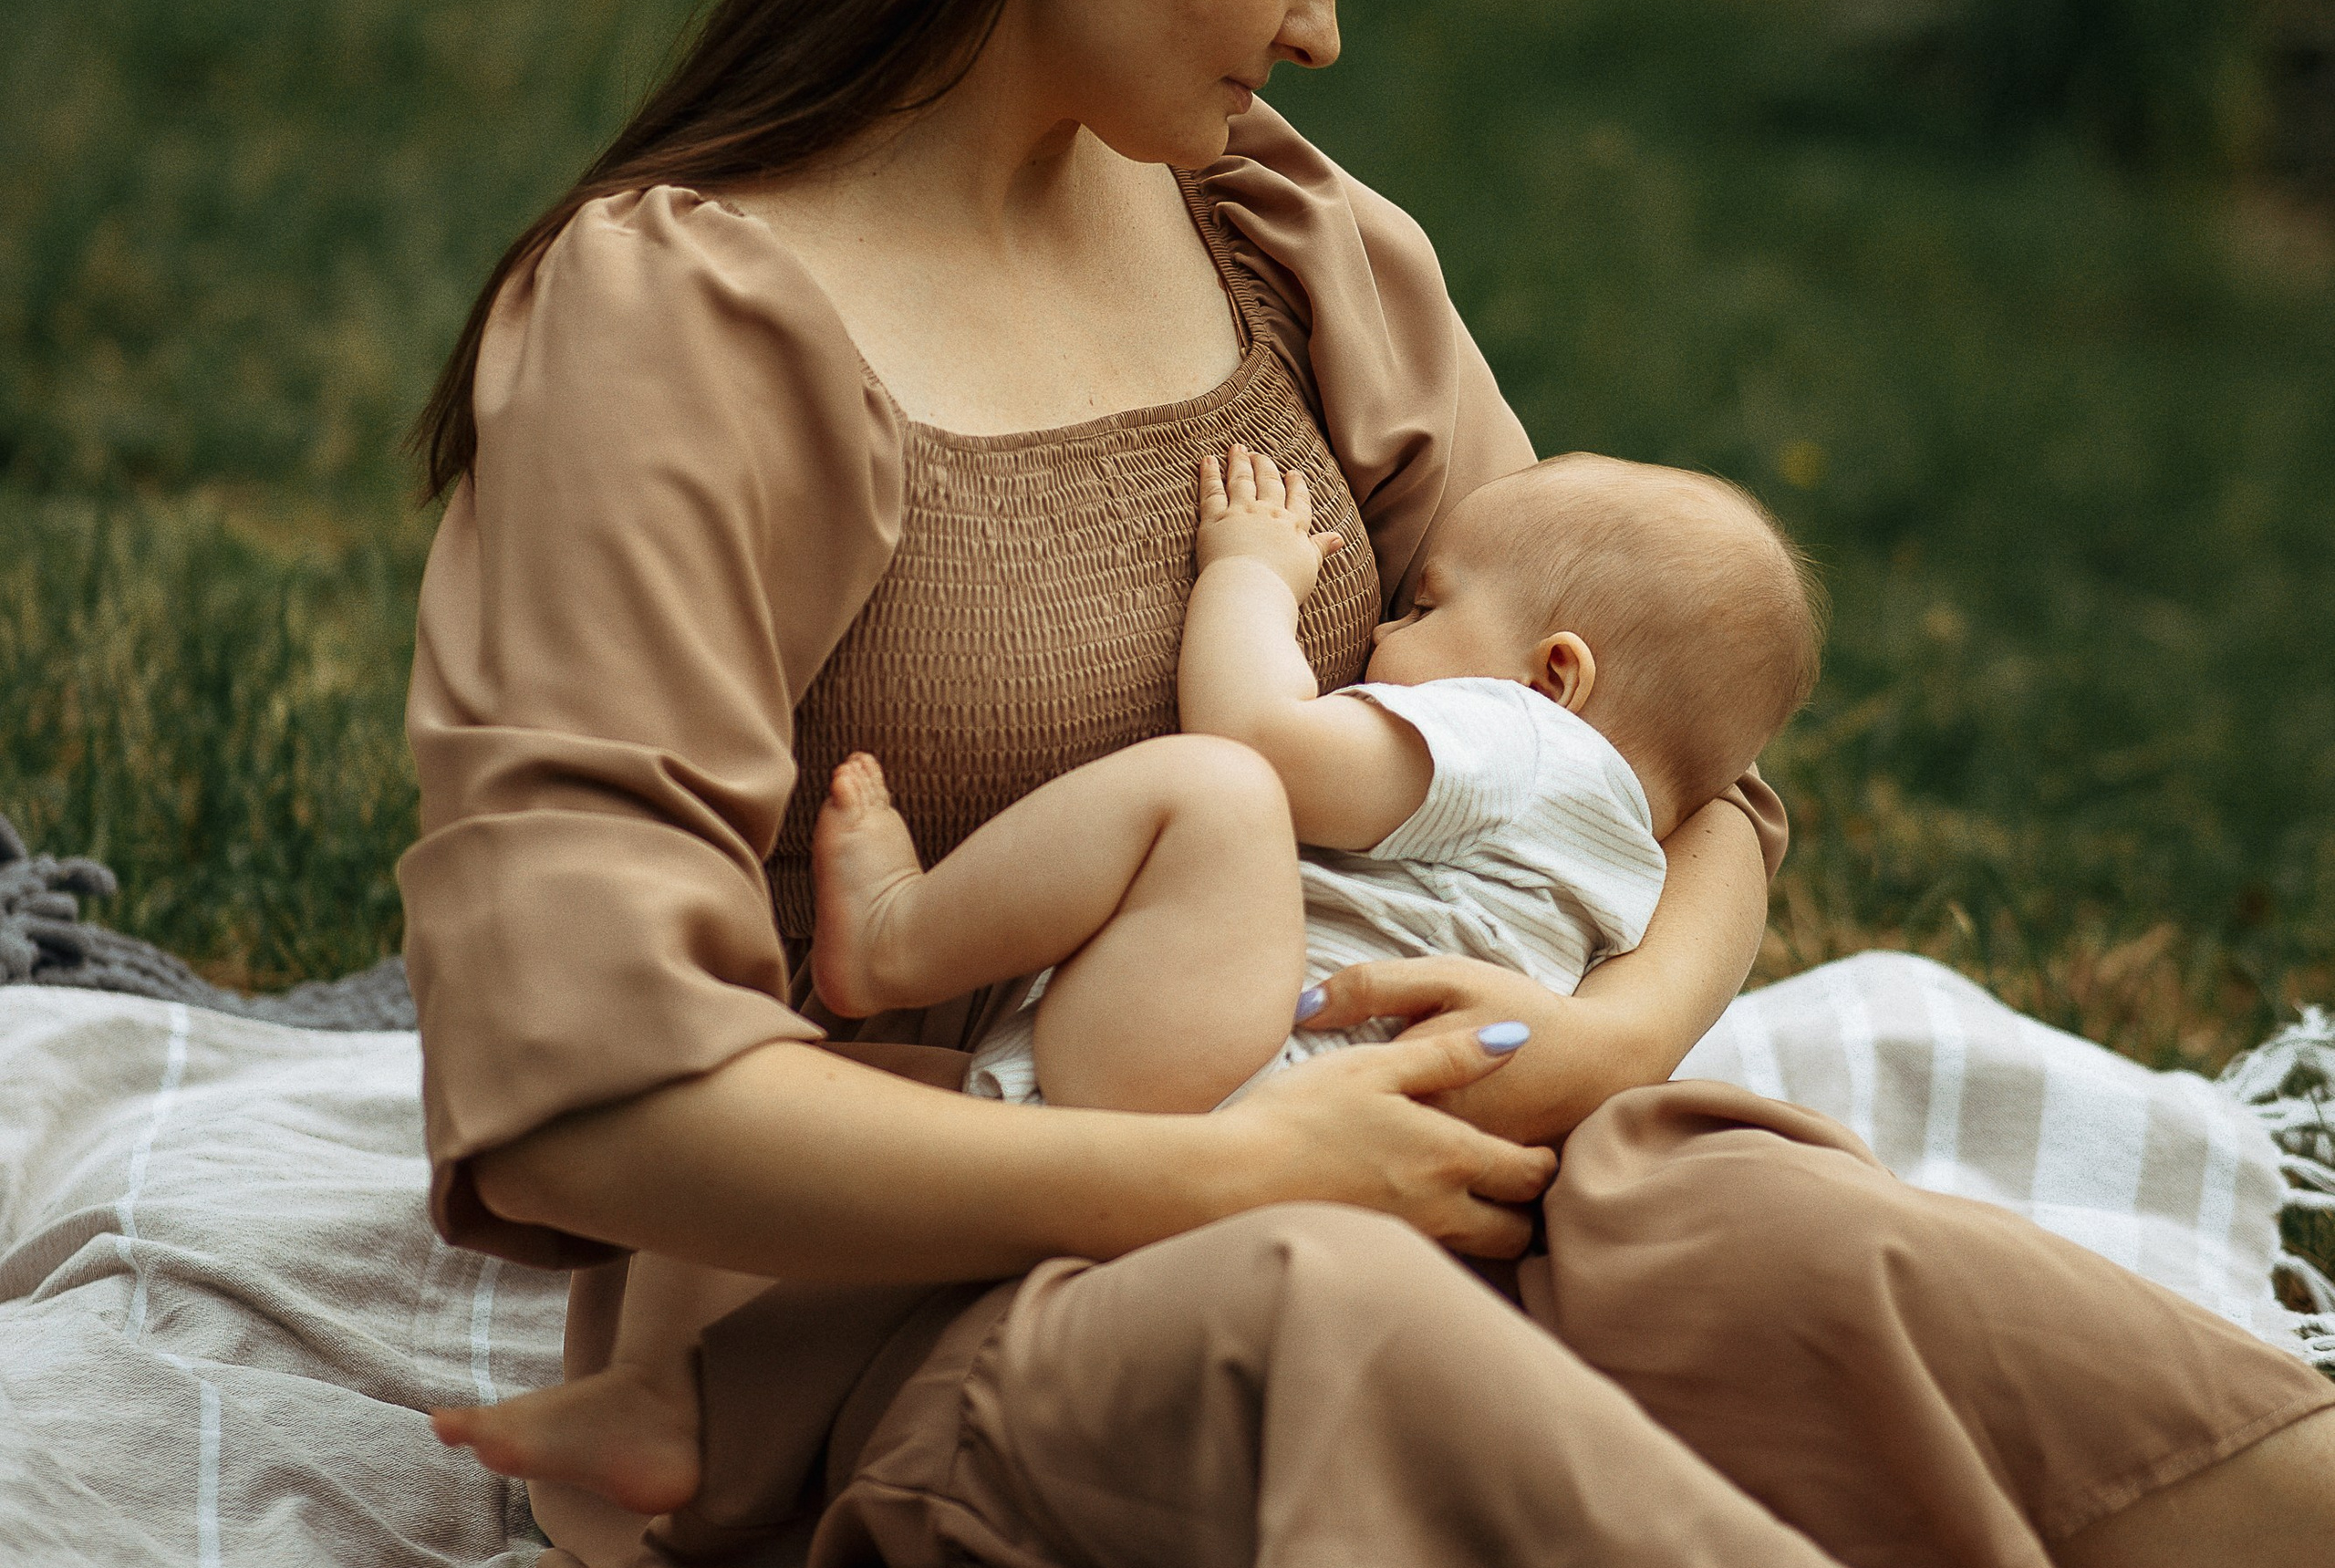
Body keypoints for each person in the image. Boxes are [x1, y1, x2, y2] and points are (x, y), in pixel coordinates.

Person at [397, 0, 2335, 1567]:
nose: (1320, 34)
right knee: (1329, 1328)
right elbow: (591, 1089)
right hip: (910, 1327)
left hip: (1405, 1161)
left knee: (1796, 1236)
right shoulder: (673, 330)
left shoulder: (1289, 244)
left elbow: (1676, 751)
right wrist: (1217, 1177)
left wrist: (1609, 1034)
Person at [430, 438, 1824, 1510]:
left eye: (1420, 604)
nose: (1385, 638)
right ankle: (701, 1422)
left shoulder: (1517, 744)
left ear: (1556, 673)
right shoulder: (1619, 849)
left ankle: (904, 933)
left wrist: (1250, 579)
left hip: (1252, 1082)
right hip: (1367, 1164)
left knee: (1218, 796)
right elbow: (1736, 813)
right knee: (983, 1265)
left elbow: (1266, 739)